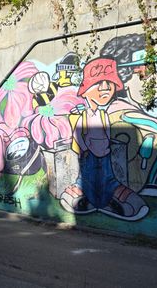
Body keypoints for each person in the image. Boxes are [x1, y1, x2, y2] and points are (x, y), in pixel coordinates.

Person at [60, 57, 149, 221]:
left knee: (108, 180)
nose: (105, 88)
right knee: (87, 179)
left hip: (105, 155)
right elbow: (78, 137)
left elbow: (107, 132)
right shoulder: (84, 117)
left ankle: (110, 199)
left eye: (109, 83)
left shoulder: (103, 114)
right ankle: (83, 195)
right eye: (98, 83)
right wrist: (86, 149)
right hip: (89, 157)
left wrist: (106, 146)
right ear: (85, 90)